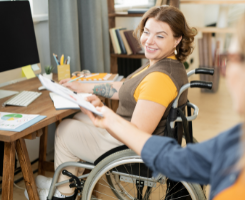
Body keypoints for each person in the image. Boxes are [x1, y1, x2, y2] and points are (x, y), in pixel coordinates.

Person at [83, 3, 245, 200]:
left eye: (234, 59)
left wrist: (111, 119)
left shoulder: (161, 75)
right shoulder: (240, 139)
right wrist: (96, 102)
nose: (227, 72)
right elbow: (174, 159)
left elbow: (157, 145)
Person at [24, 5, 197, 200]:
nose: (149, 40)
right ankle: (65, 181)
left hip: (130, 148)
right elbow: (125, 88)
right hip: (131, 134)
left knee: (65, 130)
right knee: (79, 117)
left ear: (177, 39)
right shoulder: (164, 64)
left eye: (160, 36)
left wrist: (107, 116)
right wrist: (83, 86)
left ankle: (63, 193)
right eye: (147, 32)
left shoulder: (160, 79)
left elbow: (137, 132)